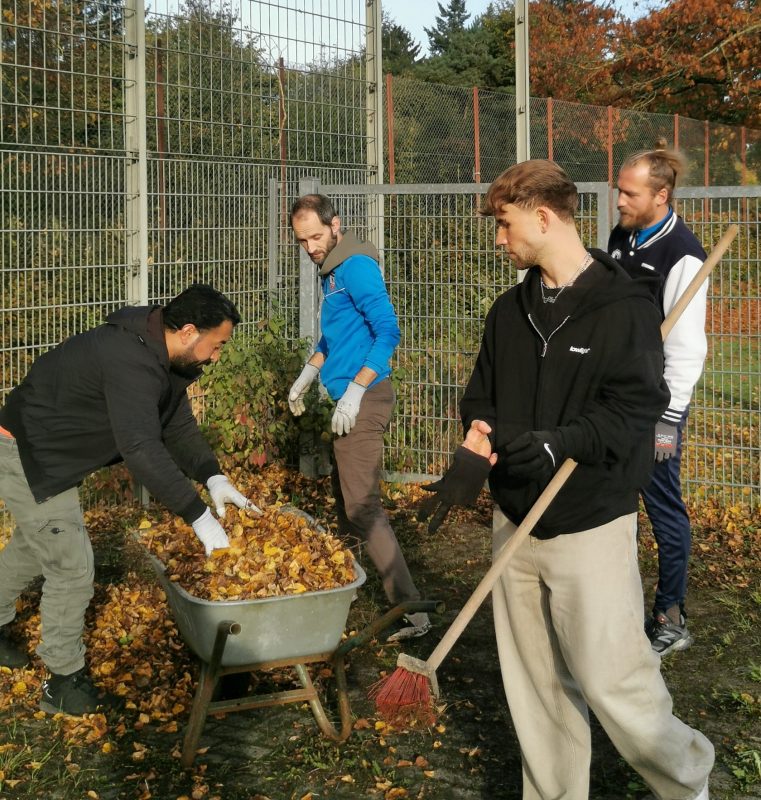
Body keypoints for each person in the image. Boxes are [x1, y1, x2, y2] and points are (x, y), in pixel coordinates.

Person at [420, 161, 713, 799]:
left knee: (615, 681)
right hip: (516, 525)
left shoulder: (623, 309)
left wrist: (562, 443)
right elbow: (482, 397)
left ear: (544, 218)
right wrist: (476, 446)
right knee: (537, 688)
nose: (499, 240)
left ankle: (688, 782)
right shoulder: (510, 312)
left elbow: (636, 410)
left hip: (590, 521)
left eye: (505, 225)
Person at [0, 284, 259, 715]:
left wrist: (212, 476)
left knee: (33, 546)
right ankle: (62, 682)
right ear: (190, 331)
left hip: (52, 452)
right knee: (72, 567)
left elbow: (175, 426)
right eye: (216, 346)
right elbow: (141, 448)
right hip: (24, 450)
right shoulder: (129, 358)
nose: (216, 357)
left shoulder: (166, 357)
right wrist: (198, 517)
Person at [287, 194, 429, 642]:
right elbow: (336, 338)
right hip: (345, 398)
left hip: (364, 399)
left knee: (363, 507)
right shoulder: (331, 272)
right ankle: (346, 594)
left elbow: (389, 330)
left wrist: (355, 390)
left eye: (315, 236)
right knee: (346, 506)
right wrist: (308, 374)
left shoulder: (355, 267)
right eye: (301, 240)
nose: (309, 247)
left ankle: (413, 612)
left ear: (336, 224)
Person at [608, 148, 708, 656]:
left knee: (661, 503)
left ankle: (671, 615)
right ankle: (613, 607)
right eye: (618, 188)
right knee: (610, 496)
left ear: (661, 196)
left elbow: (689, 349)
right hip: (617, 395)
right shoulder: (622, 237)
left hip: (657, 406)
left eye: (629, 193)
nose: (618, 199)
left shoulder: (683, 254)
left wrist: (667, 422)